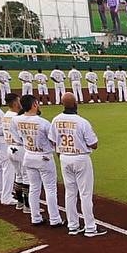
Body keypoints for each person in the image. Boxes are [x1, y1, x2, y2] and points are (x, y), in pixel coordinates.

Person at [51, 94, 104, 236]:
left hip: (64, 158)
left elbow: (53, 141)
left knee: (70, 193)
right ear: (75, 104)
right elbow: (94, 144)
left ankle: (73, 226)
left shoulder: (55, 120)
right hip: (80, 158)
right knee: (85, 194)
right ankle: (90, 228)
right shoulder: (82, 122)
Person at [16, 95, 64, 228]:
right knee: (50, 189)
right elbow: (54, 140)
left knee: (34, 188)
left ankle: (35, 217)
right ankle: (55, 219)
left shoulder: (17, 120)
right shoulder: (43, 122)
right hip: (43, 156)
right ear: (34, 105)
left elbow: (18, 137)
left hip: (29, 155)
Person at [3, 92, 28, 211]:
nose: (20, 103)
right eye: (19, 101)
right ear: (14, 103)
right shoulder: (17, 118)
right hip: (20, 148)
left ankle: (20, 202)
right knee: (26, 176)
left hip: (9, 147)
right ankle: (28, 206)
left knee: (18, 175)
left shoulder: (6, 115)